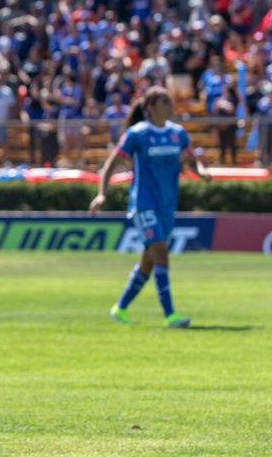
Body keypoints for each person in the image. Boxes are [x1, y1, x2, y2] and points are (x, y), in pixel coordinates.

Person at [89, 86, 210, 328]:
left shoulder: (178, 134)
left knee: (149, 261)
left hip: (167, 205)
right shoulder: (138, 134)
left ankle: (120, 308)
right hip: (144, 204)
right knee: (161, 252)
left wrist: (202, 172)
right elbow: (111, 163)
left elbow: (190, 162)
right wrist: (102, 193)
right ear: (151, 107)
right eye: (165, 101)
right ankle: (170, 315)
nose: (170, 105)